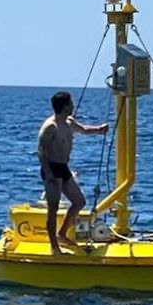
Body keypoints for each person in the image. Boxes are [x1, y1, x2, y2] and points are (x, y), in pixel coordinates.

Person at [38, 91, 108, 255]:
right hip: (52, 169)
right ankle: (54, 247)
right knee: (53, 208)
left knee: (79, 201)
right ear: (64, 106)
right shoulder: (50, 127)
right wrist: (49, 174)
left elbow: (83, 129)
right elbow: (41, 152)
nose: (73, 106)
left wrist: (99, 130)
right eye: (70, 103)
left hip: (64, 167)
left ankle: (62, 234)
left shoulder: (69, 122)